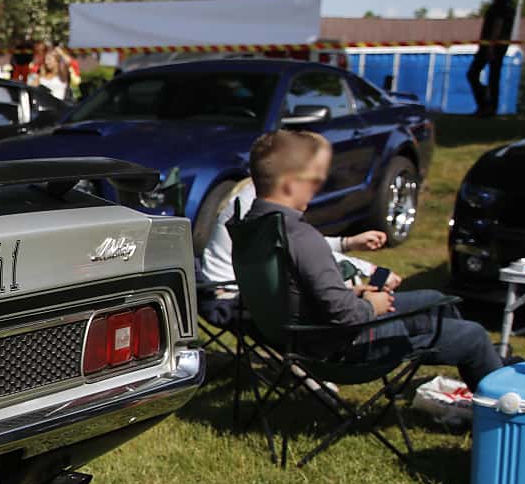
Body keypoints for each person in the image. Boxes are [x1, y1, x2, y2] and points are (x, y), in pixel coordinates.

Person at [239, 129, 504, 386]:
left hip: (303, 340)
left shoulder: (254, 228)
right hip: (348, 349)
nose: (318, 187)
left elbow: (295, 295)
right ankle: (501, 400)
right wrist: (370, 307)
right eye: (314, 181)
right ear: (289, 184)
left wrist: (355, 295)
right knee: (475, 335)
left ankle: (485, 366)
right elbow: (344, 316)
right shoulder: (301, 237)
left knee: (434, 302)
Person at [199, 171, 396, 325]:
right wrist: (368, 272)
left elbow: (295, 245)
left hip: (231, 287)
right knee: (327, 290)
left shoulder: (251, 198)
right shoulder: (265, 208)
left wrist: (348, 243)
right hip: (234, 295)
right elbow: (302, 251)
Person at [466, 0, 515, 117]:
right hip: (497, 45)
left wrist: (491, 47)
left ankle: (486, 105)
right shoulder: (508, 3)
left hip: (492, 45)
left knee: (474, 73)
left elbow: (497, 25)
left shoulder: (501, 3)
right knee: (493, 76)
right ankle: (489, 105)